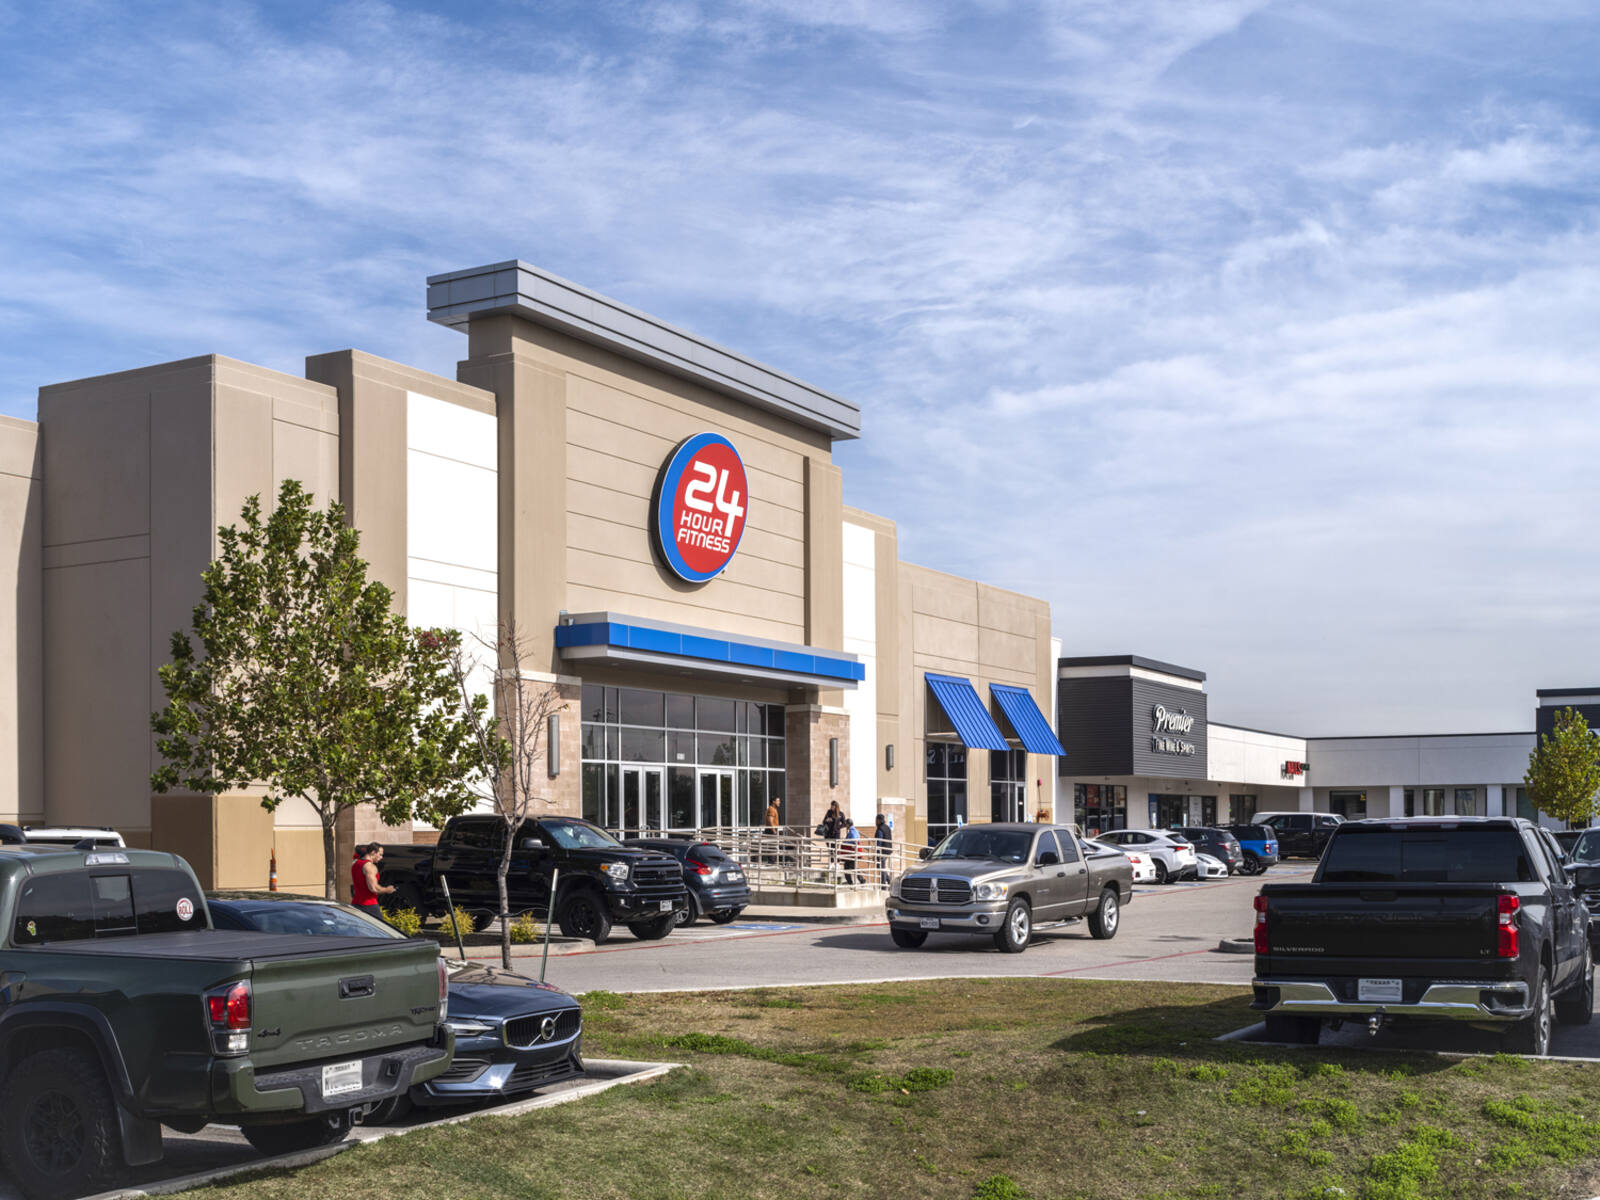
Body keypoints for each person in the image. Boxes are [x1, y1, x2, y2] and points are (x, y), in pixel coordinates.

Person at [351, 843, 395, 911]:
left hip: (356, 903)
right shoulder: (369, 866)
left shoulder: (356, 863)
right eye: (380, 854)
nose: (381, 857)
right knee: (378, 922)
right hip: (369, 905)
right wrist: (387, 889)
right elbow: (373, 888)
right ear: (373, 852)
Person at [842, 818, 863, 885]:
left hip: (851, 852)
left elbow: (854, 840)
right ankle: (861, 880)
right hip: (853, 852)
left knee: (847, 867)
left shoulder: (852, 831)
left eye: (846, 824)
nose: (845, 826)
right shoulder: (855, 830)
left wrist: (845, 842)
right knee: (853, 866)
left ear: (848, 824)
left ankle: (850, 882)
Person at [874, 813, 893, 887]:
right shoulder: (887, 827)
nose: (875, 821)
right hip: (888, 850)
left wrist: (877, 853)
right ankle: (889, 881)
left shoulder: (880, 829)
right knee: (881, 867)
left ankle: (883, 886)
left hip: (883, 851)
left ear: (878, 820)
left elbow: (879, 842)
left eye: (876, 820)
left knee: (882, 868)